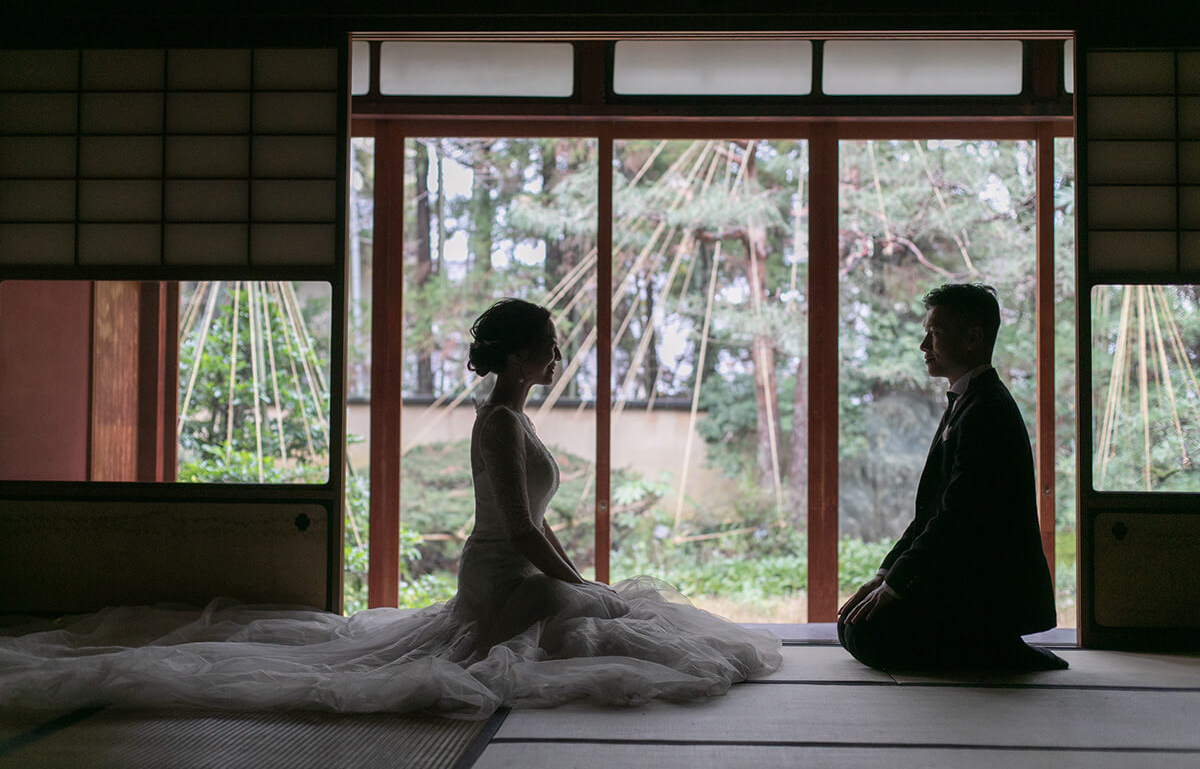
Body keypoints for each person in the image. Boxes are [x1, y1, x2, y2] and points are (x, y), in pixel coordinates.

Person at [0, 298, 780, 718]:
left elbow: (531, 528)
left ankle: (575, 596)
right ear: (514, 357)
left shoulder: (516, 416)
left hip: (513, 568)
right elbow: (519, 527)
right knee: (610, 617)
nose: (556, 353)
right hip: (502, 572)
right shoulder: (501, 420)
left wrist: (581, 574)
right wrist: (582, 577)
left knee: (610, 614)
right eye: (546, 343)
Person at [838, 283, 1067, 672]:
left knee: (864, 633)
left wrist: (897, 586)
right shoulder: (969, 401)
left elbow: (956, 517)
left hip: (983, 585)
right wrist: (884, 576)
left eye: (935, 334)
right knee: (852, 622)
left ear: (972, 339)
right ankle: (986, 646)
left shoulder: (987, 409)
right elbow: (931, 512)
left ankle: (993, 647)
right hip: (960, 575)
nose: (924, 345)